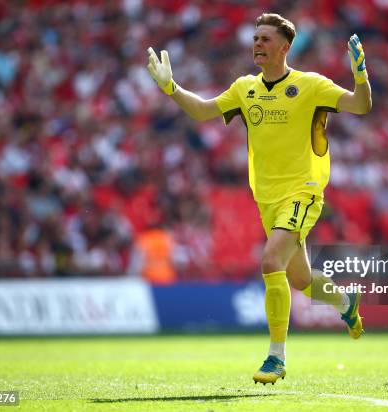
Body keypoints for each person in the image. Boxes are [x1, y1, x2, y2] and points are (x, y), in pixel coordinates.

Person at [147, 13, 371, 385]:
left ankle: (276, 357)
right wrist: (171, 88)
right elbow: (203, 110)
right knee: (299, 279)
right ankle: (347, 304)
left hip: (303, 192)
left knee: (270, 263)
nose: (257, 45)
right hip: (266, 198)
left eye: (265, 39)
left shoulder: (310, 85)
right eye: (255, 39)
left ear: (285, 47)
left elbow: (360, 106)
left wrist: (361, 75)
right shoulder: (244, 88)